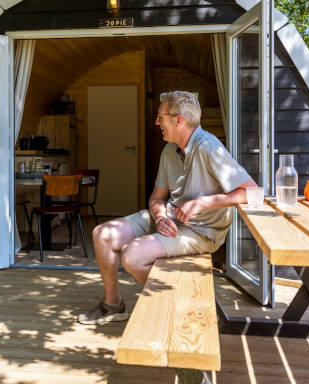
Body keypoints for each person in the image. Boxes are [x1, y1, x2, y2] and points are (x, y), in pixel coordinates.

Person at [78, 91, 256, 325]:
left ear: (179, 120)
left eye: (161, 117)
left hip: (200, 231)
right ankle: (113, 305)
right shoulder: (169, 151)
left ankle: (185, 304)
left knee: (132, 256)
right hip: (171, 219)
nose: (157, 122)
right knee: (102, 234)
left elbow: (252, 192)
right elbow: (156, 197)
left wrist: (205, 202)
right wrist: (160, 216)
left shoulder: (209, 147)